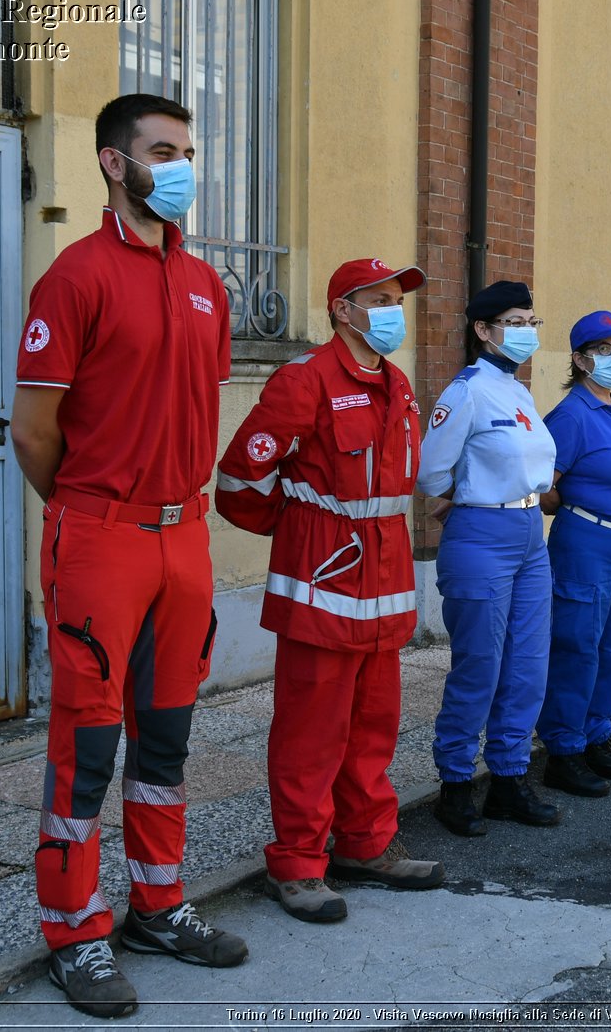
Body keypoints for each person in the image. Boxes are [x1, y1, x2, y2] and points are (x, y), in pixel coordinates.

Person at [11, 94, 247, 1019]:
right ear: (115, 163)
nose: (181, 164)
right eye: (162, 150)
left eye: (187, 150)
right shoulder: (74, 278)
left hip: (183, 536)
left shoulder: (207, 285)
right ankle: (74, 928)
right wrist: (88, 512)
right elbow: (35, 432)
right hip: (100, 533)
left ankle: (156, 902)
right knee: (88, 742)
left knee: (167, 734)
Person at [214, 257, 444, 925]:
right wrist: (301, 530)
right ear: (343, 309)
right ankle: (298, 864)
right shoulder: (305, 380)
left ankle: (366, 845)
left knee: (373, 729)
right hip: (323, 591)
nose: (393, 310)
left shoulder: (396, 384)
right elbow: (239, 483)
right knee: (309, 737)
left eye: (397, 299)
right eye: (379, 299)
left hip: (384, 593)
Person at [418, 281, 560, 835]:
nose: (527, 331)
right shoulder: (467, 391)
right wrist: (469, 494)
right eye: (516, 320)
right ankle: (455, 783)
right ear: (483, 330)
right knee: (480, 666)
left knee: (527, 666)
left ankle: (508, 778)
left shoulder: (517, 391)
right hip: (481, 534)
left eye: (531, 320)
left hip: (528, 532)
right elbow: (431, 472)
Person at [534, 311, 611, 797]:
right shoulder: (570, 416)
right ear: (580, 359)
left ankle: (595, 736)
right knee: (576, 648)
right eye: (604, 350)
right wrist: (585, 508)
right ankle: (564, 750)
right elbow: (545, 489)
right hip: (587, 545)